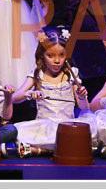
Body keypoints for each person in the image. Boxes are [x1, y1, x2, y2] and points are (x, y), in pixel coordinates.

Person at [12, 28, 95, 157]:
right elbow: (14, 98)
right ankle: (53, 150)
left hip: (66, 126)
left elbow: (85, 108)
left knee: (88, 131)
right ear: (42, 55)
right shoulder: (37, 74)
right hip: (44, 126)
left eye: (61, 55)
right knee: (21, 132)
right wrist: (29, 94)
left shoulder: (71, 74)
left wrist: (82, 97)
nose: (57, 60)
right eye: (50, 56)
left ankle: (41, 151)